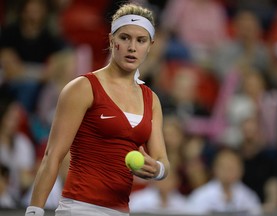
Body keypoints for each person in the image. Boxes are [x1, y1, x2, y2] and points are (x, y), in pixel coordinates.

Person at [24, 3, 170, 216]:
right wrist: (34, 211)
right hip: (79, 209)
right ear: (112, 40)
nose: (132, 47)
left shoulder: (152, 100)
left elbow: (162, 159)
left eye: (141, 40)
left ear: (150, 45)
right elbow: (52, 156)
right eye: (124, 38)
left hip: (121, 211)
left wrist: (157, 170)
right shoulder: (82, 88)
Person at [186, 148, 262, 215]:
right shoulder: (200, 196)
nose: (228, 171)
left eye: (232, 167)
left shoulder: (249, 196)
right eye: (224, 167)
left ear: (241, 170)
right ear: (215, 169)